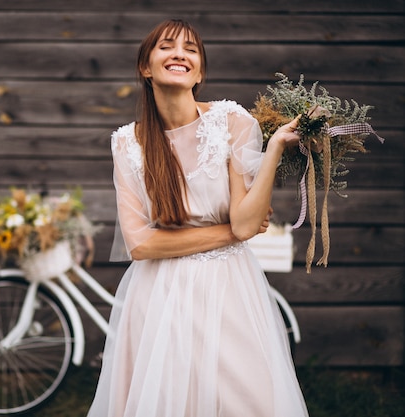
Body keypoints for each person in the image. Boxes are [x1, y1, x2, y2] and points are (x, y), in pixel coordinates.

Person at [87, 19, 309, 417]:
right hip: (156, 293)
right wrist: (230, 233)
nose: (179, 54)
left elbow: (246, 222)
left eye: (190, 49)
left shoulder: (232, 122)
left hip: (227, 289)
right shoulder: (126, 142)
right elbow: (141, 244)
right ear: (145, 66)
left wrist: (274, 149)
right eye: (166, 46)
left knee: (249, 401)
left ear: (200, 71)